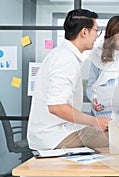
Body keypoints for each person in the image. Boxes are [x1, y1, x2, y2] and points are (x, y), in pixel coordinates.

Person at [27, 9, 110, 150]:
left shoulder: (62, 54)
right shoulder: (66, 59)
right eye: (97, 30)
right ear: (84, 32)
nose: (97, 36)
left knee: (111, 136)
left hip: (54, 132)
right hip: (54, 136)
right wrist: (94, 121)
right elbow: (56, 106)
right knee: (116, 139)